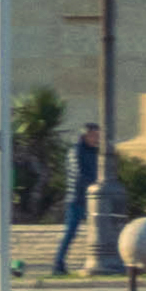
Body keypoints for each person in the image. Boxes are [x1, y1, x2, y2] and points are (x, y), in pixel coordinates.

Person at [52, 116, 101, 276]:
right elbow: (78, 174)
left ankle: (97, 261)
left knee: (102, 231)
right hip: (77, 199)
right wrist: (95, 184)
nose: (97, 138)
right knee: (70, 232)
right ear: (85, 135)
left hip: (93, 199)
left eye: (98, 135)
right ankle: (58, 264)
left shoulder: (95, 152)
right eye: (94, 135)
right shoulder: (76, 151)